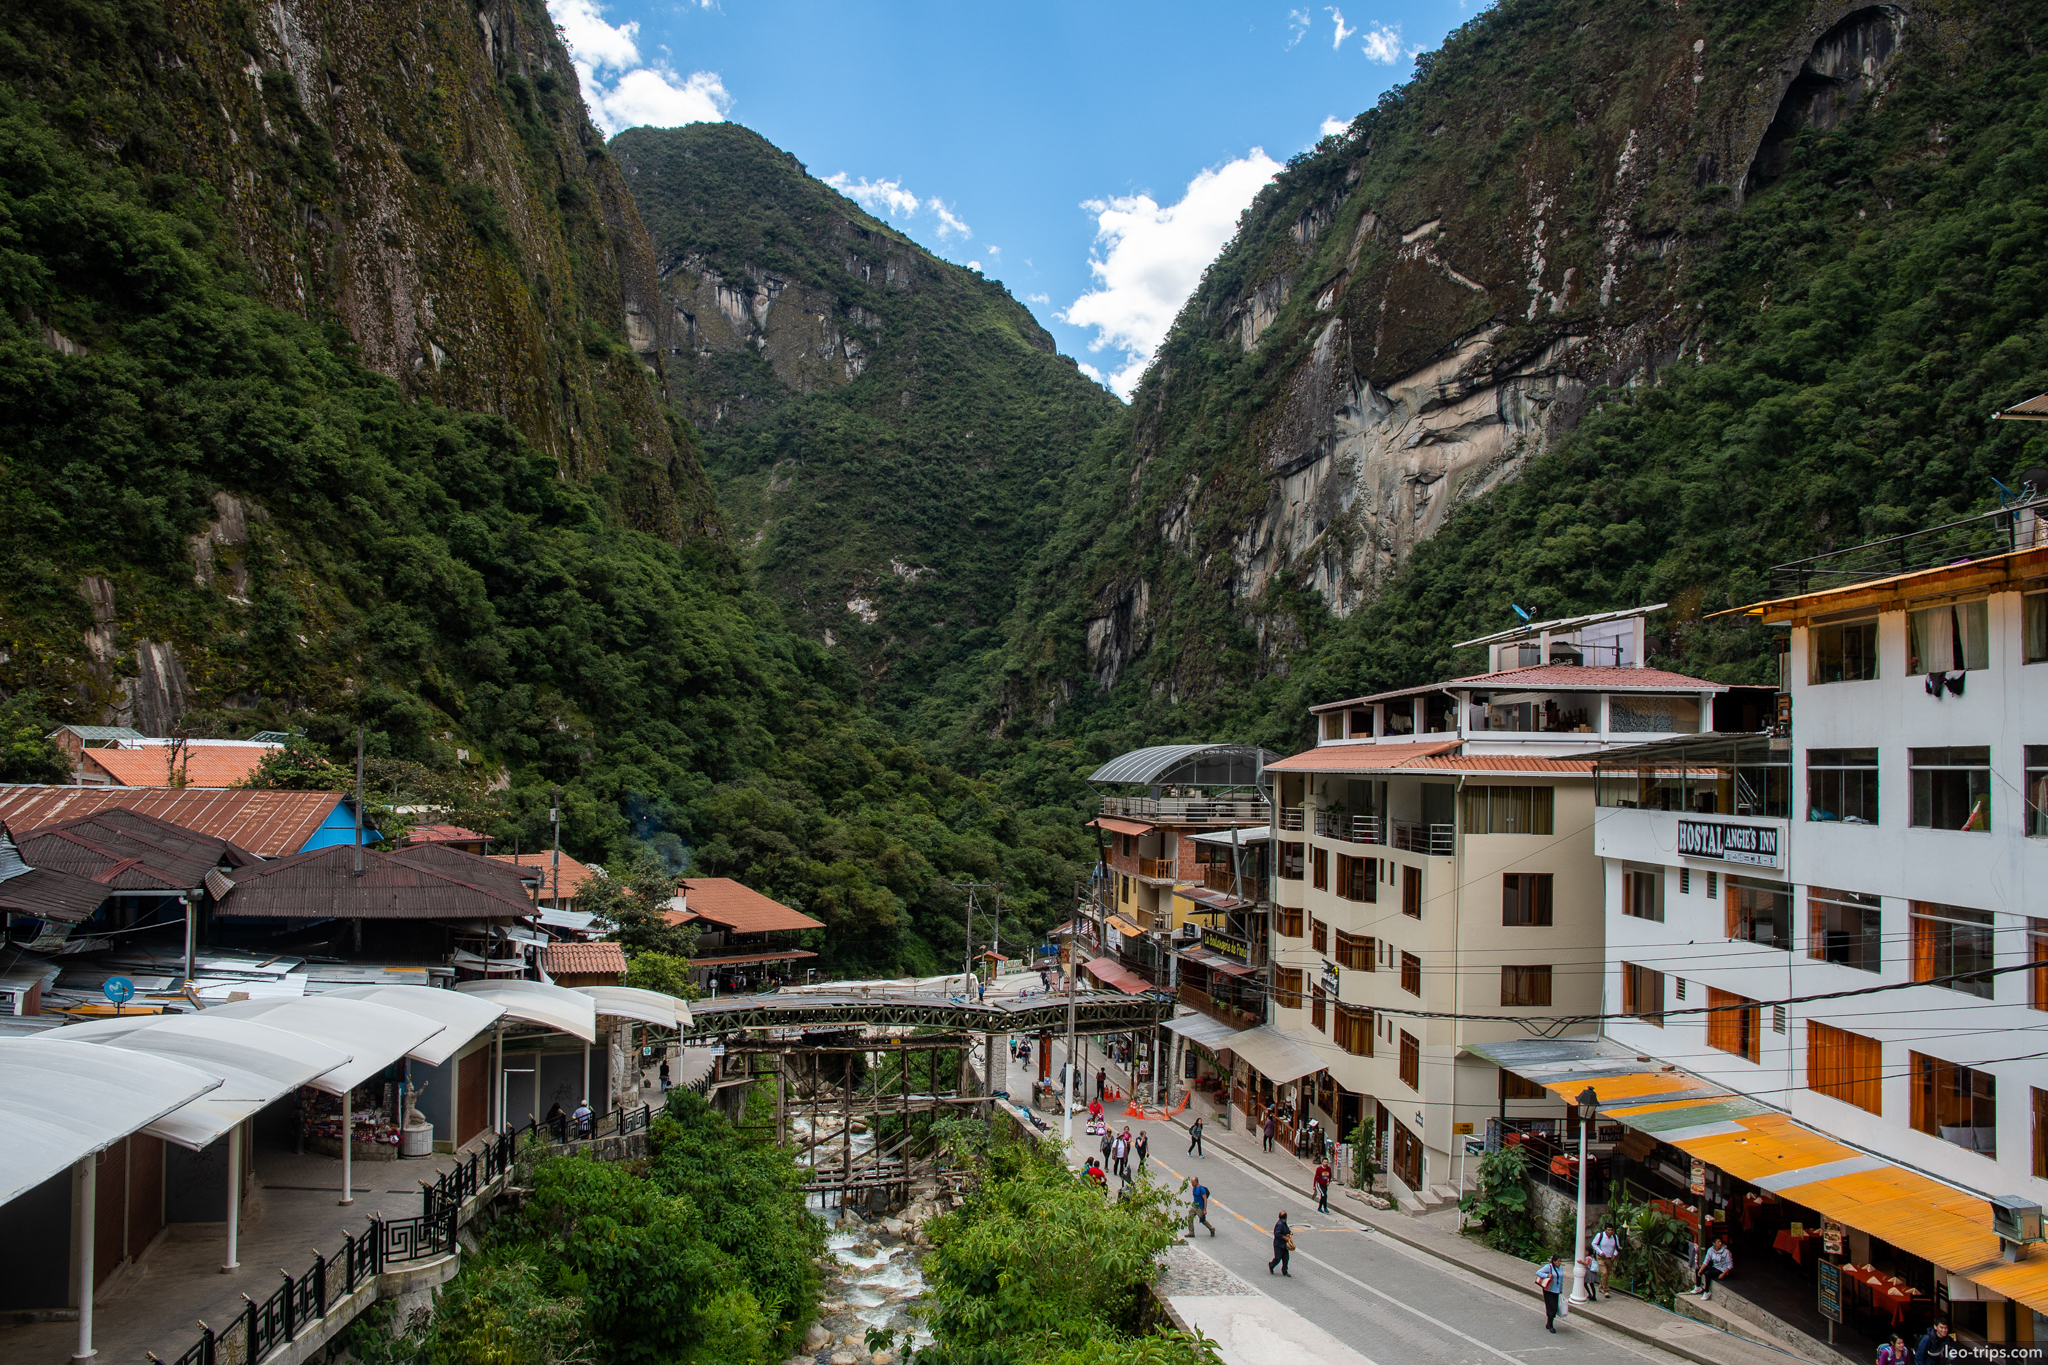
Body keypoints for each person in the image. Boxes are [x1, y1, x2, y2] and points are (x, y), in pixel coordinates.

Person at [1693, 1236, 1732, 1301]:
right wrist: (1700, 1270)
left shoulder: (1726, 1252)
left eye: (1720, 1242)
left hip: (1722, 1270)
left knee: (1707, 1273)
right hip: (1715, 1267)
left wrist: (1723, 1274)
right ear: (1714, 1243)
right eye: (1718, 1242)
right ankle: (1698, 1287)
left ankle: (1707, 1291)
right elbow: (1706, 1262)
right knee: (1698, 1269)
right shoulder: (1711, 1250)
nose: (1720, 1243)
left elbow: (1730, 1265)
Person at [1591, 1222, 1620, 1300]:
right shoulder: (1600, 1236)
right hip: (1601, 1257)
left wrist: (1615, 1255)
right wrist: (1600, 1252)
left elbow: (1617, 1247)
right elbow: (1594, 1244)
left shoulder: (1614, 1237)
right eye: (1609, 1230)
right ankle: (1606, 1290)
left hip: (1610, 1258)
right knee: (1604, 1272)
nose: (1610, 1232)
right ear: (1605, 1230)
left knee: (1606, 1274)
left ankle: (1601, 1286)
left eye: (1611, 1230)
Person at [1535, 1255, 1565, 1332]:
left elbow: (1561, 1279)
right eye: (1558, 1261)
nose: (1559, 1263)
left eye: (1560, 1261)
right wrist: (1547, 1275)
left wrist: (1561, 1289)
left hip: (1556, 1290)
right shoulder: (1549, 1267)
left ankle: (1549, 1323)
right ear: (1554, 1262)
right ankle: (1550, 1324)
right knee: (1551, 1307)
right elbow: (1538, 1272)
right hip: (1549, 1290)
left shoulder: (1560, 1268)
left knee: (1555, 1307)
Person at [1268, 1211, 1293, 1276]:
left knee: (1286, 1258)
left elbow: (1287, 1230)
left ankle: (1285, 1271)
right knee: (1278, 1258)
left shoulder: (1284, 1223)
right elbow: (1277, 1234)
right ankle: (1271, 1265)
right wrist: (1284, 1238)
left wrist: (1289, 1232)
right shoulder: (1280, 1224)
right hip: (1279, 1245)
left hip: (1284, 1245)